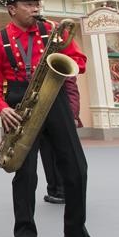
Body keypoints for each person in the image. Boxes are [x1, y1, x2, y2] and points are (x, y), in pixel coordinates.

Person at [0, 0, 109, 237]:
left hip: (55, 98)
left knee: (77, 168)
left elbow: (79, 61)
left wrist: (64, 56)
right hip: (19, 101)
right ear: (12, 8)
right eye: (28, 4)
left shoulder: (53, 29)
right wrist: (2, 108)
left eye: (36, 3)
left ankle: (76, 234)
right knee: (25, 175)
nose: (35, 8)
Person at [39, 76, 81, 204]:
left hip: (61, 114)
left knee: (63, 154)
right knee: (46, 154)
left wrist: (73, 115)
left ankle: (64, 191)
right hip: (41, 115)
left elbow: (71, 89)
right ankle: (54, 190)